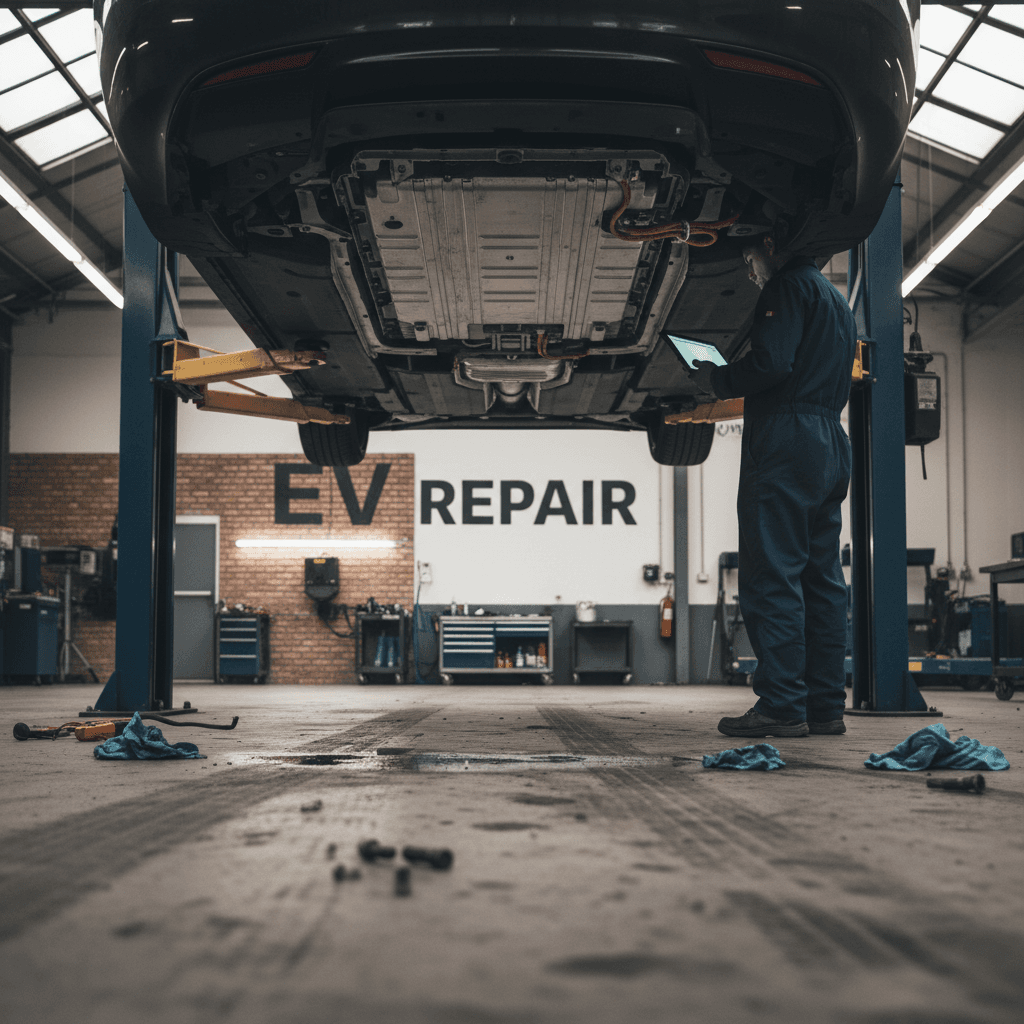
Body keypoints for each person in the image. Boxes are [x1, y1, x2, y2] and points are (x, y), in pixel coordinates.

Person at [689, 234, 857, 737]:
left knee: (773, 574)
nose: (750, 269)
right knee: (822, 580)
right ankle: (825, 707)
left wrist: (715, 380)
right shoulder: (836, 300)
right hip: (829, 438)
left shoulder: (786, 288)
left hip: (787, 438)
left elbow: (770, 365)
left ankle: (782, 705)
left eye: (749, 258)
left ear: (772, 246)